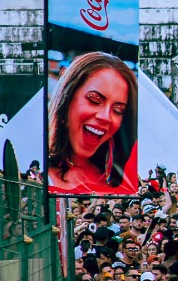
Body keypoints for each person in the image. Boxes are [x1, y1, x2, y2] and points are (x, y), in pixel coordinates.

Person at [47, 51, 140, 196]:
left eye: (118, 109)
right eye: (94, 100)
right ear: (67, 98)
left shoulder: (120, 182)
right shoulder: (35, 174)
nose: (105, 117)